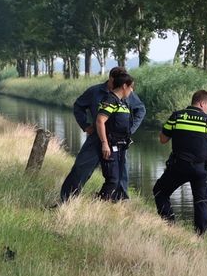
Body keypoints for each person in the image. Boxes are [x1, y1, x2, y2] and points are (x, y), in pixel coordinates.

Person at [57, 67, 145, 203]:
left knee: (120, 172)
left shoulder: (128, 93)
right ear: (110, 78)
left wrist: (129, 130)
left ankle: (120, 201)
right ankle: (67, 199)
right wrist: (85, 125)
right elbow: (79, 106)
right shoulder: (95, 91)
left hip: (118, 141)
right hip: (97, 138)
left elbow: (140, 110)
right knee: (81, 167)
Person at [152, 89, 207, 235]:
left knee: (160, 192)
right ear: (201, 103)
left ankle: (169, 226)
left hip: (178, 166)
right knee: (201, 202)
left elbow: (162, 140)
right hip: (200, 169)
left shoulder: (177, 116)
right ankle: (201, 236)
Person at [94, 73, 136, 201]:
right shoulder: (110, 100)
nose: (132, 90)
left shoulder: (123, 103)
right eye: (131, 87)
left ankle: (110, 203)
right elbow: (100, 121)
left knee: (118, 180)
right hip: (110, 146)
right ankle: (99, 202)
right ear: (124, 86)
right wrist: (104, 143)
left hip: (121, 146)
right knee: (112, 179)